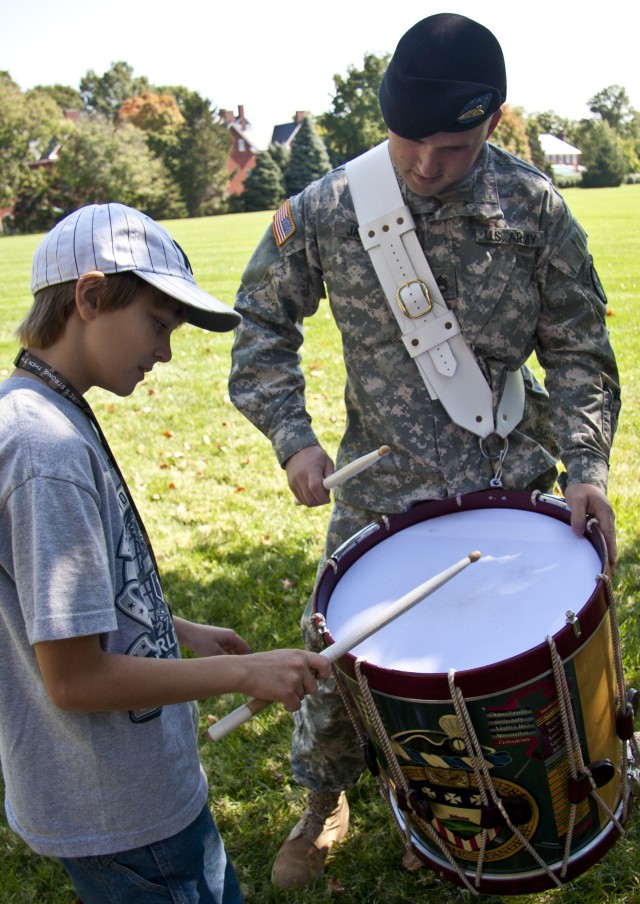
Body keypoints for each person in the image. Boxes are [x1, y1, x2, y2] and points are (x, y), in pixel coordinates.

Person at [228, 12, 621, 890]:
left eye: (451, 145)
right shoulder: (333, 206)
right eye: (409, 141)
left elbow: (581, 352)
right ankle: (322, 799)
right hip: (384, 487)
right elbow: (259, 325)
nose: (424, 165)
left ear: (493, 119)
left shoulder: (534, 209)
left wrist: (588, 469)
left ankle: (488, 801)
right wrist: (295, 441)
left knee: (518, 662)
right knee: (333, 663)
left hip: (510, 478)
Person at [0, 202, 332, 904]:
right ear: (90, 297)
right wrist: (244, 673)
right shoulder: (44, 452)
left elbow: (62, 599)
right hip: (122, 814)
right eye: (157, 324)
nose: (166, 351)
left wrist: (172, 628)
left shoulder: (43, 410)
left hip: (128, 800)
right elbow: (76, 681)